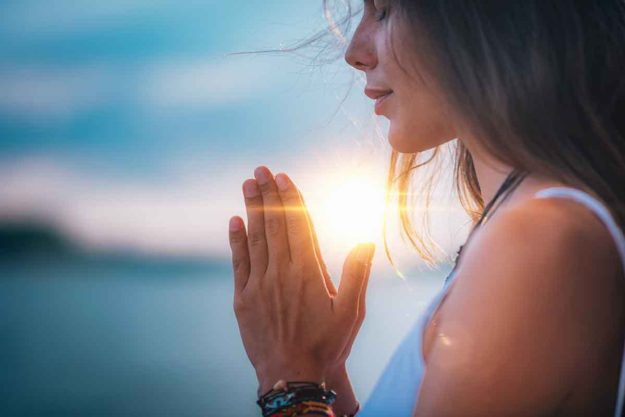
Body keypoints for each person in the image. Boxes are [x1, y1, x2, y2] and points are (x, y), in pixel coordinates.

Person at [228, 1, 625, 416]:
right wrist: (324, 374)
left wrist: (289, 380)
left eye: (383, 11)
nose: (354, 52)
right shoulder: (525, 230)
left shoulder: (540, 241)